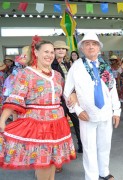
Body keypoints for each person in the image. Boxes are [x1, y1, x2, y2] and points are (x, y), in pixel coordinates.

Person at [0, 38, 76, 180]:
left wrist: (73, 96)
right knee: (43, 162)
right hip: (38, 124)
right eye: (46, 52)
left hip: (58, 123)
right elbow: (15, 97)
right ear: (36, 52)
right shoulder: (26, 74)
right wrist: (3, 120)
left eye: (52, 52)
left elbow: (63, 94)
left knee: (52, 161)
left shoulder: (57, 75)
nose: (49, 55)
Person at [64, 32, 121, 180]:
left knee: (105, 145)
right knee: (89, 148)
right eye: (87, 44)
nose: (91, 46)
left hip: (106, 113)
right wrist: (77, 110)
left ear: (99, 48)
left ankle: (104, 172)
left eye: (94, 44)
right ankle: (91, 176)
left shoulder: (105, 66)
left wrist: (117, 111)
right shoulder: (76, 67)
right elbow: (67, 91)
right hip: (86, 115)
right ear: (82, 48)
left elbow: (112, 89)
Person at [51, 40, 83, 155]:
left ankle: (82, 146)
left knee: (78, 122)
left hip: (70, 99)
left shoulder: (67, 64)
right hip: (57, 101)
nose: (61, 50)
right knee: (59, 127)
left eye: (63, 49)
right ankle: (59, 153)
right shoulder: (50, 65)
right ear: (53, 51)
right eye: (58, 48)